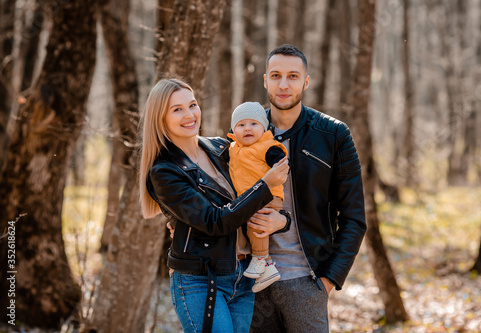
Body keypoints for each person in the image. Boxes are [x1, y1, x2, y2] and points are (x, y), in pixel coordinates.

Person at [138, 78, 290, 333]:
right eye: (177, 109)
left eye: (193, 105)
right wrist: (265, 185)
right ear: (160, 118)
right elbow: (214, 221)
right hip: (200, 279)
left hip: (244, 274)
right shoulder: (165, 172)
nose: (190, 115)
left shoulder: (222, 148)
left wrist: (282, 220)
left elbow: (251, 197)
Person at [250, 44, 367, 332]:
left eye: (293, 76)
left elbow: (354, 218)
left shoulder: (333, 134)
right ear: (265, 80)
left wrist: (327, 281)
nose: (284, 84)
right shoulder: (246, 131)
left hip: (306, 280)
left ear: (306, 81)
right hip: (250, 282)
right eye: (276, 75)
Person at [226, 101, 288, 292]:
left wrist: (279, 164)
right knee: (248, 227)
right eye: (241, 125)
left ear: (264, 127)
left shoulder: (267, 146)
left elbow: (280, 162)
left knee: (256, 224)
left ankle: (260, 258)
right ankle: (267, 267)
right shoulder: (232, 148)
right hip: (247, 199)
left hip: (268, 197)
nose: (248, 129)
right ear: (233, 130)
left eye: (254, 124)